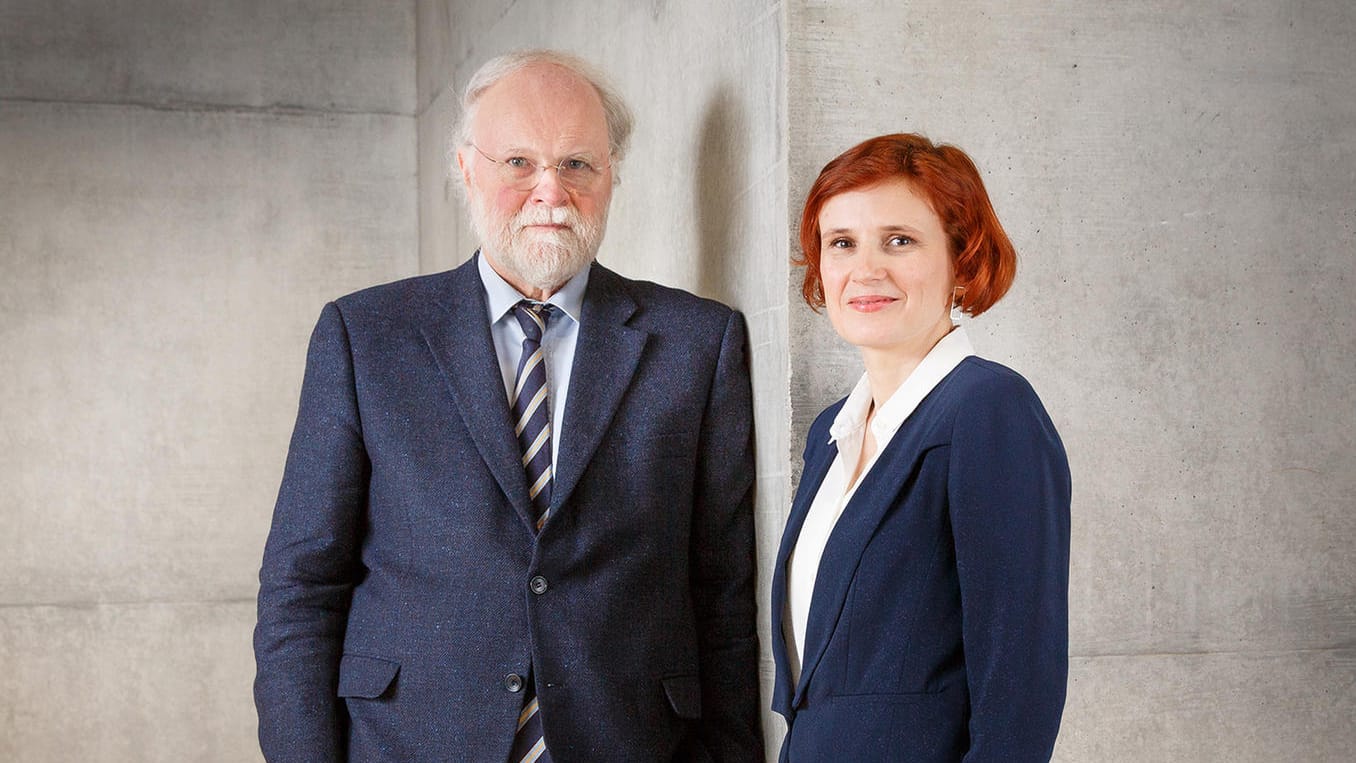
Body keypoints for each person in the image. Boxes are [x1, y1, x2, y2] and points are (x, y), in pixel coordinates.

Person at [253, 49, 763, 762]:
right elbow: (301, 587)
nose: (550, 192)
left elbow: (723, 596)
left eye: (577, 164)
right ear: (466, 169)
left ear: (613, 173)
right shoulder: (365, 336)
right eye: (517, 162)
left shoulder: (697, 345)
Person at [770, 133, 1071, 761]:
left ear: (962, 261)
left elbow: (1019, 681)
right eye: (842, 243)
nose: (866, 269)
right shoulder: (833, 432)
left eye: (899, 241)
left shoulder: (989, 411)